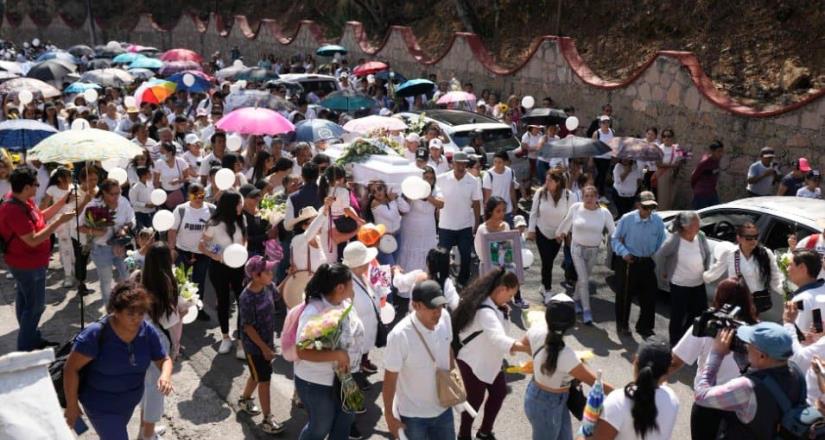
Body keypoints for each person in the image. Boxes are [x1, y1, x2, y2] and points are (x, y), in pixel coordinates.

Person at [62, 281, 173, 440]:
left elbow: (164, 359)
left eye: (141, 313)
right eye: (130, 314)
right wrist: (72, 405)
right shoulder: (95, 334)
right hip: (100, 405)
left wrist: (165, 375)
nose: (136, 319)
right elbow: (70, 369)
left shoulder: (147, 331)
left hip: (128, 403)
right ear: (116, 311)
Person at [669, 278, 759, 440]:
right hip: (741, 404)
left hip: (708, 402)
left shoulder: (708, 325)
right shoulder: (757, 330)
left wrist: (654, 379)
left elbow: (676, 361)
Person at [520, 293, 614, 440]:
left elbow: (524, 345)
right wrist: (628, 394)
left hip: (540, 397)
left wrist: (542, 362)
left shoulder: (537, 329)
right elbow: (595, 382)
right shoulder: (567, 356)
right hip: (549, 405)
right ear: (571, 323)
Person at [0, 166, 75, 350]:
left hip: (30, 262)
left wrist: (62, 202)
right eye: (36, 184)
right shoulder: (13, 209)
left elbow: (39, 216)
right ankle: (25, 348)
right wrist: (59, 222)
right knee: (35, 307)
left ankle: (32, 338)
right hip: (27, 264)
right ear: (26, 188)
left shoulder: (23, 200)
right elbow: (32, 240)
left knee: (25, 301)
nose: (38, 187)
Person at [452, 267, 529, 440]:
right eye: (510, 295)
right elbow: (498, 339)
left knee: (499, 392)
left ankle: (484, 431)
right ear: (501, 289)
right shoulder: (486, 311)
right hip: (474, 362)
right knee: (474, 402)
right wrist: (526, 348)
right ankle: (464, 435)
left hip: (489, 361)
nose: (510, 300)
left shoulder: (494, 305)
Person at [693, 322, 803, 439]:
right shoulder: (796, 372)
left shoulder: (747, 387)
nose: (746, 346)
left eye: (749, 344)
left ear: (762, 356)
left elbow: (701, 396)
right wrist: (744, 362)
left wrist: (716, 354)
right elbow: (770, 386)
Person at [294, 263, 362, 440]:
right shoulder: (313, 311)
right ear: (340, 287)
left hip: (345, 378)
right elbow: (302, 351)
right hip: (317, 382)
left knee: (344, 423)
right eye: (351, 283)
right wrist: (337, 355)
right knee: (319, 428)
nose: (353, 286)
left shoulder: (345, 303)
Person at [383, 280, 455, 440]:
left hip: (444, 409)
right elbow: (389, 378)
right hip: (413, 416)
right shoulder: (399, 335)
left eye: (440, 306)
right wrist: (389, 416)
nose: (438, 312)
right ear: (416, 306)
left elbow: (448, 348)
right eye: (432, 308)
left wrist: (454, 382)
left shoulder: (445, 317)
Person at [586, 337, 679, 440]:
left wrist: (584, 431)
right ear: (667, 371)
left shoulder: (617, 401)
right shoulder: (672, 399)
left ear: (636, 360)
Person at [237, 255, 287, 434]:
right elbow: (248, 327)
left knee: (256, 375)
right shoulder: (247, 297)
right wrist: (265, 349)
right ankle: (267, 419)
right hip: (255, 347)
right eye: (267, 271)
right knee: (264, 380)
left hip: (267, 342)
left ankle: (244, 400)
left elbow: (277, 294)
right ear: (256, 276)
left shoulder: (268, 286)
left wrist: (290, 276)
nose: (271, 273)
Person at [137, 242, 182, 440]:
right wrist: (183, 310)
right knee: (155, 391)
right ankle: (148, 436)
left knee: (146, 387)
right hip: (158, 340)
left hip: (138, 337)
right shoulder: (167, 283)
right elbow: (169, 320)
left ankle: (143, 431)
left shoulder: (138, 278)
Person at [557, 186, 615, 325]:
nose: (589, 199)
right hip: (577, 249)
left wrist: (620, 244)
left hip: (593, 250)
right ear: (582, 197)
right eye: (586, 196)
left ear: (597, 198)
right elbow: (566, 222)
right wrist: (561, 232)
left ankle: (576, 300)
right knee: (583, 279)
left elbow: (613, 231)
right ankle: (587, 310)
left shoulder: (604, 213)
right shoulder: (576, 208)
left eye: (592, 196)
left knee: (583, 279)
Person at [199, 190, 247, 357]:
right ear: (230, 205)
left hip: (239, 266)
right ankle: (225, 337)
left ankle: (241, 341)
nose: (242, 206)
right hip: (219, 266)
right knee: (224, 300)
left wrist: (243, 253)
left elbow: (244, 240)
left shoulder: (242, 219)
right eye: (239, 203)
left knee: (243, 301)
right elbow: (202, 245)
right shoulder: (213, 223)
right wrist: (216, 255)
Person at [611, 191, 665, 337]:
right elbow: (615, 239)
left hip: (646, 261)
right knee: (624, 295)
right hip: (629, 261)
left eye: (651, 208)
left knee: (649, 295)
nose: (648, 211)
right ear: (638, 205)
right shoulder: (627, 219)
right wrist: (624, 252)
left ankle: (644, 326)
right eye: (646, 207)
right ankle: (622, 325)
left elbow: (661, 239)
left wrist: (651, 251)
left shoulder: (657, 221)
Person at [653, 211, 711, 346]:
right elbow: (660, 255)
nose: (699, 226)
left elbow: (707, 253)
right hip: (680, 284)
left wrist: (706, 269)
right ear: (686, 226)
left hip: (698, 283)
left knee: (699, 313)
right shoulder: (675, 239)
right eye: (696, 224)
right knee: (678, 315)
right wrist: (663, 271)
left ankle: (687, 337)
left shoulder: (700, 236)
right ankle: (674, 343)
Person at [703, 222, 782, 316]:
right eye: (748, 238)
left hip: (755, 303)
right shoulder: (730, 253)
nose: (753, 241)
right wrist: (700, 278)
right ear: (739, 238)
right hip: (735, 302)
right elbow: (713, 274)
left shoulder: (765, 253)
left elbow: (776, 279)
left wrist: (788, 291)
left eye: (755, 237)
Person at [82, 178, 136, 307]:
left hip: (121, 246)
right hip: (101, 249)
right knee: (106, 281)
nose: (117, 196)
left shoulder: (123, 201)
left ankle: (126, 306)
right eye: (113, 194)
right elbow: (79, 227)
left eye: (118, 192)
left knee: (126, 277)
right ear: (104, 193)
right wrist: (95, 231)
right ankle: (109, 309)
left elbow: (132, 218)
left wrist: (125, 228)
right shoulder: (93, 205)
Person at [168, 183, 214, 322]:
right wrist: (171, 249)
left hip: (203, 254)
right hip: (182, 252)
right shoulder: (181, 210)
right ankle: (179, 309)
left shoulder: (211, 210)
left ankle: (198, 310)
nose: (198, 198)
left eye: (201, 194)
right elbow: (172, 230)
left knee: (199, 282)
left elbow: (217, 231)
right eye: (195, 194)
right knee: (180, 281)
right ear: (188, 195)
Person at [527, 169, 576, 299]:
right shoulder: (540, 192)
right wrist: (531, 230)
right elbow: (533, 212)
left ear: (558, 182)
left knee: (548, 261)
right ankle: (547, 290)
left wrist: (563, 232)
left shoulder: (569, 196)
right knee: (547, 260)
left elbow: (570, 217)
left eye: (550, 180)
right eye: (546, 179)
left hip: (558, 234)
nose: (546, 182)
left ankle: (543, 285)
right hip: (541, 230)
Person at [435, 152, 481, 287]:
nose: (461, 166)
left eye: (464, 163)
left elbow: (477, 203)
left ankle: (462, 281)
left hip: (464, 226)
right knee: (442, 257)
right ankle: (443, 281)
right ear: (452, 164)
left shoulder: (473, 181)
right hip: (445, 226)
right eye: (458, 163)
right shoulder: (441, 179)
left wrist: (477, 223)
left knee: (466, 257)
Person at [342, 241, 382, 385]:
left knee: (364, 348)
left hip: (367, 325)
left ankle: (363, 363)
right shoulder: (346, 283)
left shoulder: (362, 275)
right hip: (355, 332)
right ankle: (355, 374)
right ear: (357, 265)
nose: (369, 263)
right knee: (354, 353)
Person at [397, 166, 442, 272]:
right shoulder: (412, 188)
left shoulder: (436, 190)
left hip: (428, 229)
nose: (428, 180)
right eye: (426, 177)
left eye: (431, 178)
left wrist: (428, 196)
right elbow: (403, 211)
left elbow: (441, 204)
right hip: (410, 229)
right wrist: (411, 195)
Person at [41, 166, 76, 287]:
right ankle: (68, 275)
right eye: (68, 176)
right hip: (60, 221)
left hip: (74, 221)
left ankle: (74, 268)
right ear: (60, 178)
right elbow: (45, 204)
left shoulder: (73, 187)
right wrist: (42, 220)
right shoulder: (52, 189)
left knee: (73, 246)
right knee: (65, 246)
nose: (71, 178)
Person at [785, 249, 825, 332]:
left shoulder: (801, 299)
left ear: (802, 268)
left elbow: (799, 336)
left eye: (789, 265)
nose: (787, 269)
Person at [482, 151, 518, 226]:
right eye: (495, 162)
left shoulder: (510, 172)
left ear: (505, 162)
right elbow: (487, 198)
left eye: (500, 162)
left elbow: (511, 190)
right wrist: (486, 214)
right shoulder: (488, 175)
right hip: (494, 213)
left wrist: (515, 205)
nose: (497, 165)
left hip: (508, 211)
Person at [652, 128, 684, 210]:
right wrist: (672, 165)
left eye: (669, 136)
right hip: (663, 174)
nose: (666, 138)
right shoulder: (659, 148)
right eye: (664, 136)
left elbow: (681, 160)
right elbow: (658, 163)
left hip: (674, 174)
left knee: (672, 198)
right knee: (663, 198)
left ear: (672, 137)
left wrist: (677, 168)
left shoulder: (677, 147)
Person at [284, 162, 321, 231]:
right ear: (318, 175)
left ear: (302, 176)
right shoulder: (326, 194)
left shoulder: (293, 197)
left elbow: (287, 226)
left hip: (301, 236)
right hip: (322, 236)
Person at [690, 140, 724, 209]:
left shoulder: (716, 161)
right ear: (712, 151)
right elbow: (694, 176)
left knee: (716, 213)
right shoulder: (704, 162)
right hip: (701, 195)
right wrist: (698, 189)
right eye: (719, 151)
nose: (721, 154)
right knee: (700, 216)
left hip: (712, 193)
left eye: (722, 151)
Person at [591, 115, 615, 196]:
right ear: (600, 123)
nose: (606, 124)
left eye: (607, 122)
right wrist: (590, 159)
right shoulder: (597, 133)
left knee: (602, 175)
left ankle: (593, 188)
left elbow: (613, 144)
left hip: (607, 157)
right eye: (604, 122)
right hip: (598, 157)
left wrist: (613, 156)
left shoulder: (612, 132)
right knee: (602, 174)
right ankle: (601, 193)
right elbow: (592, 146)